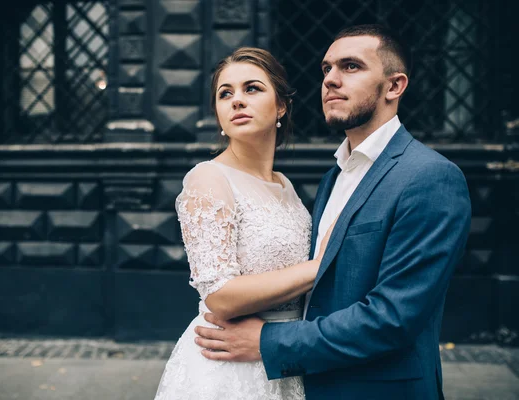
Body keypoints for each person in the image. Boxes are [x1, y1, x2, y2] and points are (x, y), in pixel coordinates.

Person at [194, 24, 472, 400]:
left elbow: (393, 318)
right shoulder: (332, 178)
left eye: (351, 67)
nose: (331, 80)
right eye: (326, 69)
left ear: (394, 86)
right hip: (303, 382)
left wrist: (268, 340)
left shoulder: (430, 177)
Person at [155, 47, 324, 399]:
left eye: (252, 89)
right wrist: (321, 267)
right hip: (229, 367)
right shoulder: (209, 179)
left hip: (284, 356)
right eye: (225, 93)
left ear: (281, 106)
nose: (237, 101)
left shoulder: (285, 185)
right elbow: (220, 296)